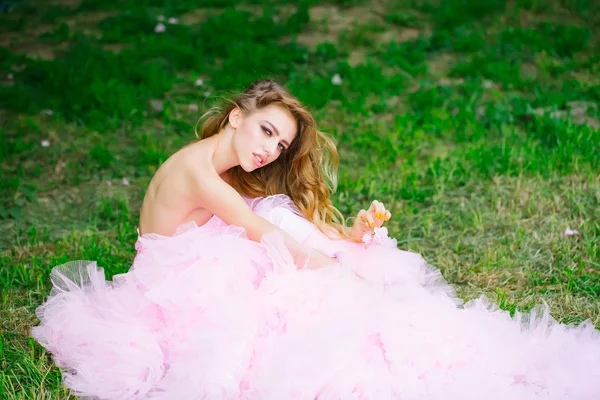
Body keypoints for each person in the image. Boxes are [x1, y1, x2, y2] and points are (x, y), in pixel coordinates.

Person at [32, 80, 600, 400]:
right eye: (265, 131)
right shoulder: (201, 172)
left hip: (211, 253)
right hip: (173, 286)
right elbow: (261, 232)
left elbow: (265, 212)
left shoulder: (225, 165)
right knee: (293, 298)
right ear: (235, 116)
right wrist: (337, 273)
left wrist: (341, 237)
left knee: (297, 236)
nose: (270, 150)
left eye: (280, 145)